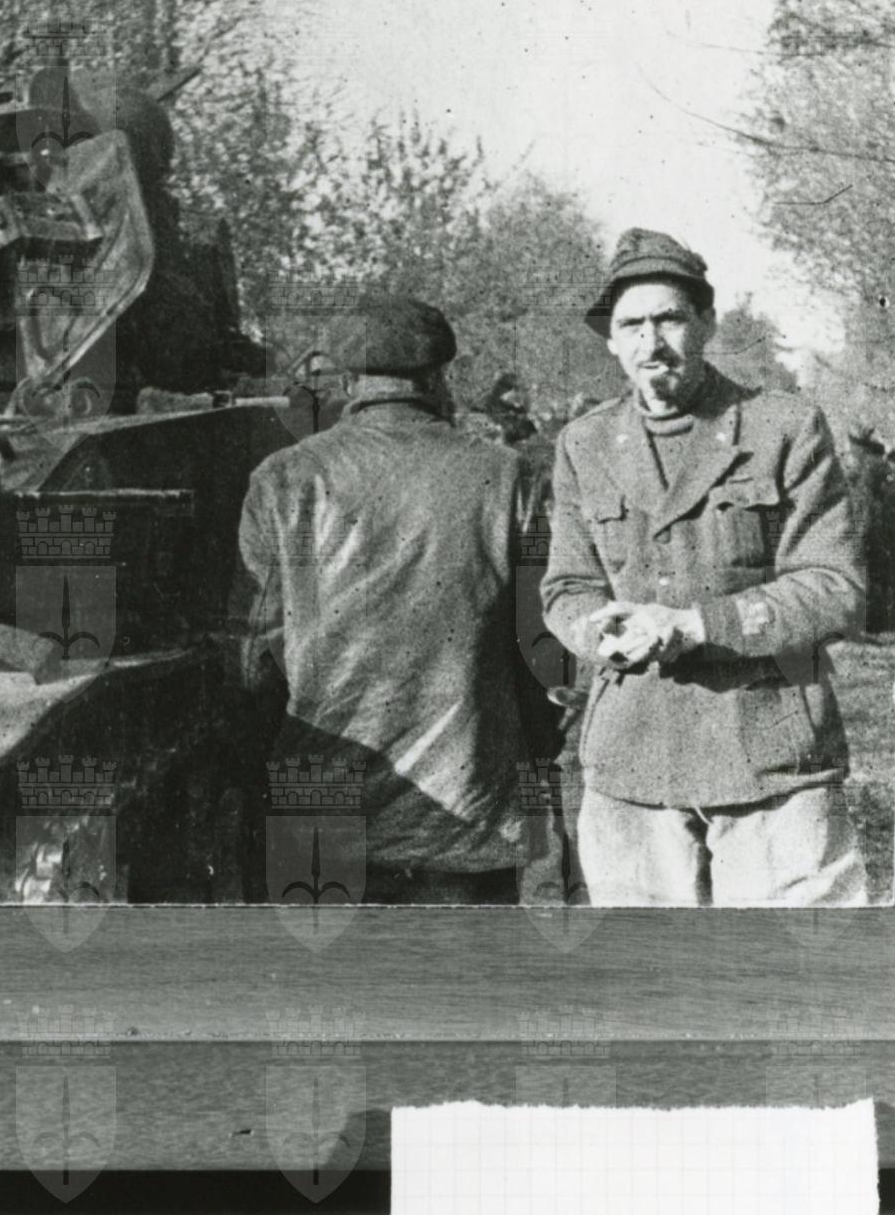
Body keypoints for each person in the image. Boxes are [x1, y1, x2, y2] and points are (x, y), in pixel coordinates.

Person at [542, 227, 867, 906]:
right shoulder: (584, 443)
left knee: (797, 959)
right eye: (630, 326)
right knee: (648, 964)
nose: (650, 342)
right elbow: (567, 586)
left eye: (669, 319)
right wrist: (595, 630)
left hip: (770, 752)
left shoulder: (782, 427)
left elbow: (834, 586)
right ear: (610, 340)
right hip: (633, 756)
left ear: (707, 323)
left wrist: (694, 625)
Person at [234, 294, 563, 904]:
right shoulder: (510, 475)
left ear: (347, 382)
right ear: (440, 379)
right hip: (472, 819)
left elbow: (256, 660)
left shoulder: (284, 478)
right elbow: (545, 650)